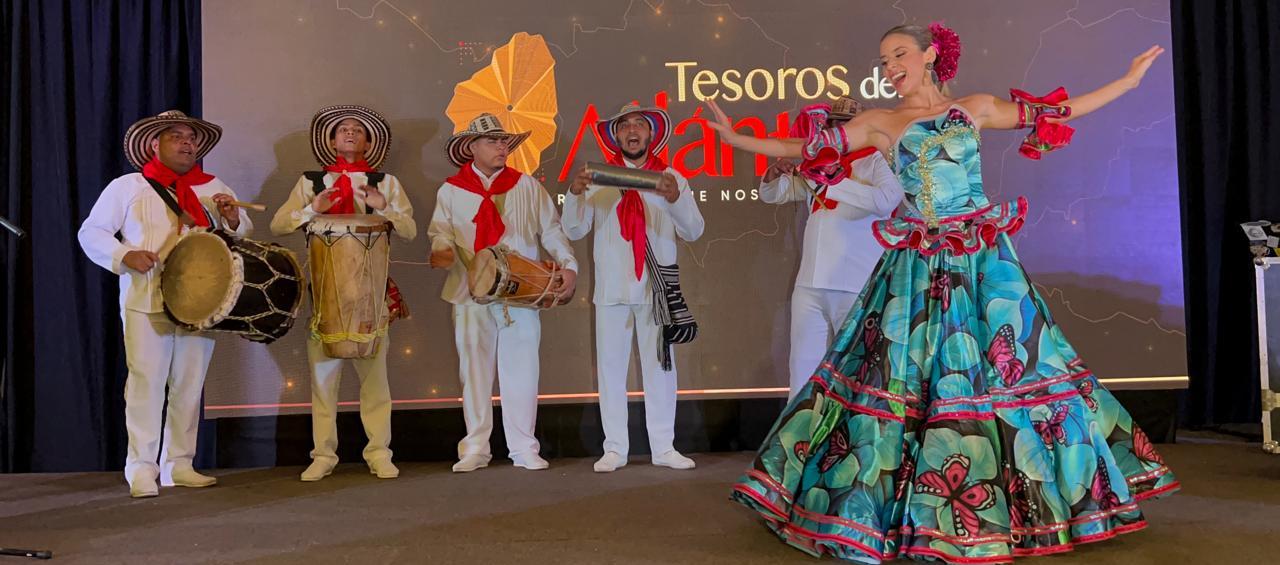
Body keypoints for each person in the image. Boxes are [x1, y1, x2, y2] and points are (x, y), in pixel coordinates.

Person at [706, 23, 1177, 562]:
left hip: (982, 262)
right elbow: (807, 145)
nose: (890, 68)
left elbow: (1054, 113)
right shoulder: (881, 123)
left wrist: (1128, 81)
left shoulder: (973, 107)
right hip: (920, 265)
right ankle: (910, 510)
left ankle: (1035, 504)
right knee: (904, 378)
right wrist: (737, 139)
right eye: (883, 61)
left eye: (899, 55)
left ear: (930, 56)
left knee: (1018, 369)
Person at [78, 110, 252, 497]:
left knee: (189, 384)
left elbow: (239, 233)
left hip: (201, 299)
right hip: (147, 296)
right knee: (146, 384)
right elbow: (92, 231)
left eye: (191, 137)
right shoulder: (128, 186)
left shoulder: (211, 185)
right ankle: (141, 468)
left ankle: (180, 464)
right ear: (155, 144)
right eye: (176, 136)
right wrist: (125, 255)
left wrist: (232, 217)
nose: (187, 142)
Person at [270, 105, 416, 481]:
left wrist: (386, 209)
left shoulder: (386, 182)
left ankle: (379, 452)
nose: (350, 133)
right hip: (326, 296)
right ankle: (323, 455)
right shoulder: (311, 182)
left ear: (368, 142)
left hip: (370, 295)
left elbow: (411, 230)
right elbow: (279, 224)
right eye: (342, 129)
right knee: (323, 381)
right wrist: (311, 209)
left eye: (357, 130)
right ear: (332, 140)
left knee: (376, 382)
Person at [428, 113, 578, 473]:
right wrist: (442, 249)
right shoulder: (451, 190)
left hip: (521, 292)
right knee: (474, 371)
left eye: (505, 142)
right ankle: (476, 448)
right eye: (493, 141)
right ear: (471, 147)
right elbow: (439, 233)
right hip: (469, 292)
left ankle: (524, 447)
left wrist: (568, 265)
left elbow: (552, 230)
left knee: (522, 369)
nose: (502, 147)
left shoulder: (526, 185)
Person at [563, 103, 706, 473]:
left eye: (639, 124)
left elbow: (694, 230)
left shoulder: (670, 176)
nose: (632, 131)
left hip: (656, 290)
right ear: (615, 135)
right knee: (611, 369)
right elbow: (575, 230)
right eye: (624, 125)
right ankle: (614, 448)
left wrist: (675, 198)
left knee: (661, 367)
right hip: (611, 287)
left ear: (651, 133)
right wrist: (576, 194)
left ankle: (663, 447)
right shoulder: (597, 176)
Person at [758, 96, 903, 400]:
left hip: (855, 284)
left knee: (857, 369)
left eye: (848, 125)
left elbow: (888, 200)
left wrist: (835, 181)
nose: (841, 132)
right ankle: (799, 442)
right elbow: (777, 194)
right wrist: (773, 177)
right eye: (835, 125)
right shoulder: (820, 162)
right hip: (810, 284)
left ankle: (854, 441)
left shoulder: (877, 159)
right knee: (802, 368)